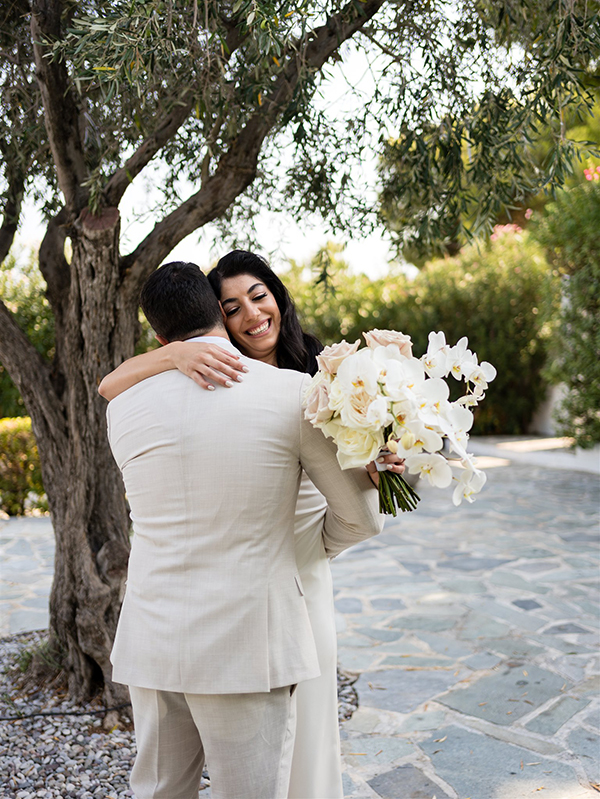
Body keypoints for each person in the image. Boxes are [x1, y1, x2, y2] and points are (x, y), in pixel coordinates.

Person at [104, 260, 385, 799]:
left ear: (160, 337)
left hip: (153, 637)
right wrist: (299, 546)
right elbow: (360, 518)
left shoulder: (123, 405)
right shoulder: (291, 394)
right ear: (219, 314)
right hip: (249, 643)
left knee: (159, 791)